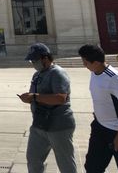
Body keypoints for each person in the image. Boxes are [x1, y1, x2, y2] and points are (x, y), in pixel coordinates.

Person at [78, 44, 118, 173]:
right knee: (93, 166)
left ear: (95, 62)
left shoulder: (113, 77)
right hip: (100, 128)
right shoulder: (95, 72)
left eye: (85, 62)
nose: (84, 65)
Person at [18, 43, 77, 173]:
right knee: (33, 158)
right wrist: (29, 98)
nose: (33, 63)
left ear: (45, 58)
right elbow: (36, 97)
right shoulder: (37, 75)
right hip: (39, 124)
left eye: (35, 60)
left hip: (58, 125)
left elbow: (61, 98)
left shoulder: (57, 73)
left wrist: (34, 97)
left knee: (65, 162)